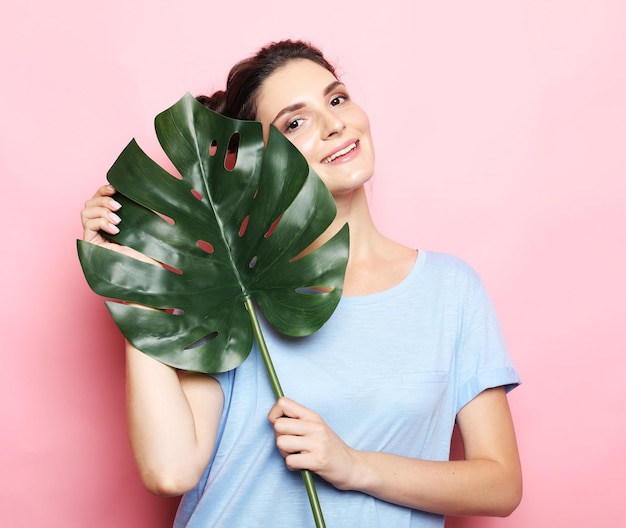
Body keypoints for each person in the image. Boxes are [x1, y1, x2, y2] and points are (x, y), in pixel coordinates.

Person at [81, 40, 522, 527]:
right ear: (257, 160)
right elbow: (171, 470)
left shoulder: (450, 292)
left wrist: (354, 466)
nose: (335, 124)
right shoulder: (236, 289)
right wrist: (133, 283)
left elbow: (500, 484)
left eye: (336, 99)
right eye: (296, 121)